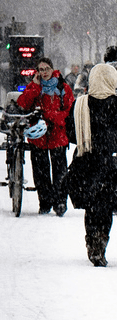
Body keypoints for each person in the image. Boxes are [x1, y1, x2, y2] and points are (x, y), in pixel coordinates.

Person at [64, 63, 117, 266]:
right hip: (116, 166)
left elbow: (71, 134)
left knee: (93, 208)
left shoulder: (80, 105)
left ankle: (93, 243)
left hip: (87, 164)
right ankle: (100, 243)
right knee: (106, 207)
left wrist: (88, 138)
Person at [15, 57, 75, 216]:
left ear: (52, 69)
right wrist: (34, 86)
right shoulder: (34, 86)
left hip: (57, 133)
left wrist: (50, 116)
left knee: (60, 170)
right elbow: (23, 103)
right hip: (39, 135)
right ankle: (45, 202)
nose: (44, 72)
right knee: (40, 171)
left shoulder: (63, 87)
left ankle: (60, 202)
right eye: (41, 70)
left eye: (46, 68)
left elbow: (69, 111)